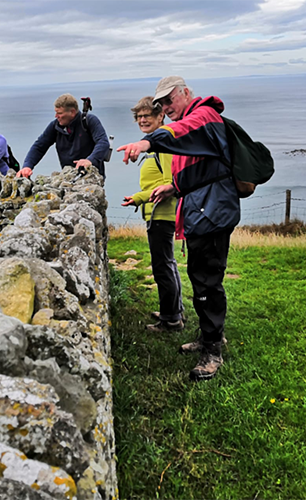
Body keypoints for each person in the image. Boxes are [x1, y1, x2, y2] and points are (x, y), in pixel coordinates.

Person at [117, 76, 240, 381]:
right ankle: (209, 336)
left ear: (186, 93)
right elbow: (205, 168)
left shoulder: (203, 116)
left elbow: (180, 131)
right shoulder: (197, 121)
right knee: (201, 278)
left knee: (208, 280)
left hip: (212, 212)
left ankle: (212, 353)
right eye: (162, 103)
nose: (166, 107)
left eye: (170, 100)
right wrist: (174, 187)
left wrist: (149, 140)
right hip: (202, 209)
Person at [122, 97, 184, 333]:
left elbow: (170, 182)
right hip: (159, 212)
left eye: (148, 115)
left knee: (162, 266)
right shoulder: (156, 145)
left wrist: (138, 197)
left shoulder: (164, 144)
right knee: (168, 263)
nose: (143, 120)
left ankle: (171, 320)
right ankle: (174, 311)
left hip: (163, 213)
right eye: (139, 116)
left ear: (161, 117)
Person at [18, 94, 110, 178]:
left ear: (72, 112)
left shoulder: (89, 121)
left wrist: (90, 160)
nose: (56, 116)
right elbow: (40, 146)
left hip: (92, 176)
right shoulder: (55, 126)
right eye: (56, 112)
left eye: (60, 113)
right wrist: (27, 166)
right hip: (68, 176)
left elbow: (103, 142)